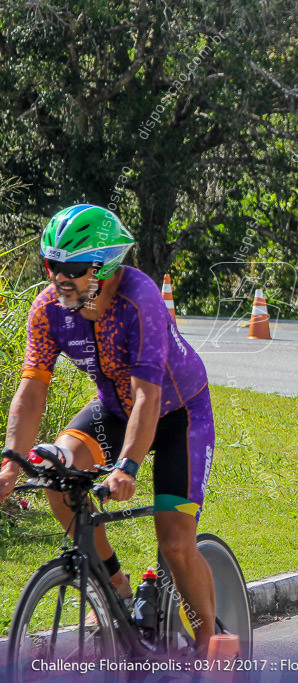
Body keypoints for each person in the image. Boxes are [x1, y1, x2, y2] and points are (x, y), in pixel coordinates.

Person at [0, 204, 217, 652]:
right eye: (52, 265)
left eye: (73, 269)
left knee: (175, 543)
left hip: (180, 414)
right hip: (115, 410)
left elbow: (148, 397)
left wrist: (128, 466)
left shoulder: (140, 299)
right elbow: (31, 390)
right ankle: (117, 589)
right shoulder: (48, 310)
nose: (59, 278)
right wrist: (9, 464)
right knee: (55, 470)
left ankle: (213, 645)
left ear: (106, 266)